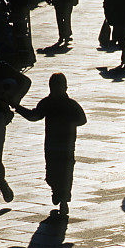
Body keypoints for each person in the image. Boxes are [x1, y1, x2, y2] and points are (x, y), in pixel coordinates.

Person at [13, 72, 86, 218]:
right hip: (57, 145)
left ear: (65, 87)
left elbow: (82, 119)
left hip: (62, 145)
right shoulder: (50, 103)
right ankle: (59, 193)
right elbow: (34, 116)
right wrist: (17, 107)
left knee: (63, 173)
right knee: (56, 174)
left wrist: (17, 106)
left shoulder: (67, 104)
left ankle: (63, 199)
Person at [0, 55, 31, 202]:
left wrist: (13, 102)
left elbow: (25, 81)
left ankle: (1, 181)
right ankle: (1, 180)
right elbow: (25, 81)